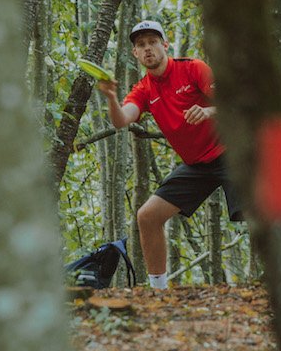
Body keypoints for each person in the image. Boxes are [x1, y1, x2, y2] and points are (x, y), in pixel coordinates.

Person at [96, 20, 244, 289]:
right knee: (147, 216)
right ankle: (159, 292)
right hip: (197, 165)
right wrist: (111, 99)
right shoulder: (144, 89)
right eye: (141, 45)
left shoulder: (193, 68)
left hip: (231, 152)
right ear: (135, 53)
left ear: (165, 45)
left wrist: (208, 111)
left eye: (153, 42)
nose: (148, 48)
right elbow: (122, 120)